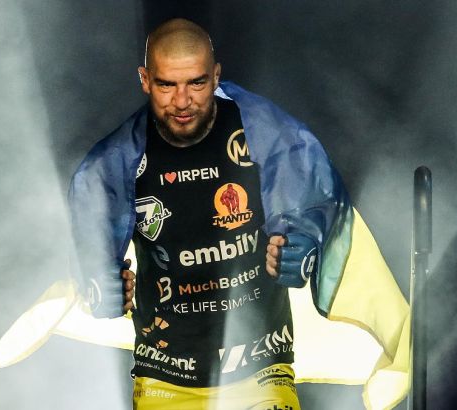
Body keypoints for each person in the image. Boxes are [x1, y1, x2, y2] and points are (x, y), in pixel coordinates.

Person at [68, 18, 406, 410]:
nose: (182, 101)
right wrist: (100, 286)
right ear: (145, 80)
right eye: (166, 85)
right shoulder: (117, 160)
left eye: (196, 83)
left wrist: (303, 246)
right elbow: (85, 249)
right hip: (164, 376)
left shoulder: (267, 133)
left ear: (215, 76)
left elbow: (314, 204)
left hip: (260, 370)